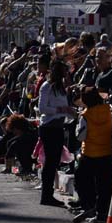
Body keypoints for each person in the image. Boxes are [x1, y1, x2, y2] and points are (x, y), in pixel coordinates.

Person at [73, 87, 112, 223]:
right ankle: (102, 212)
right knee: (103, 185)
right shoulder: (109, 111)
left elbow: (80, 137)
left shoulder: (85, 115)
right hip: (106, 152)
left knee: (81, 180)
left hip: (90, 153)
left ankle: (89, 206)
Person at [38, 59, 76, 207]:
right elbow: (42, 108)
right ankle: (46, 195)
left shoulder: (61, 88)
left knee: (54, 162)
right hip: (49, 127)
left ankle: (49, 194)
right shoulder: (47, 86)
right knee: (50, 162)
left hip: (59, 126)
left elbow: (66, 108)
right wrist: (60, 110)